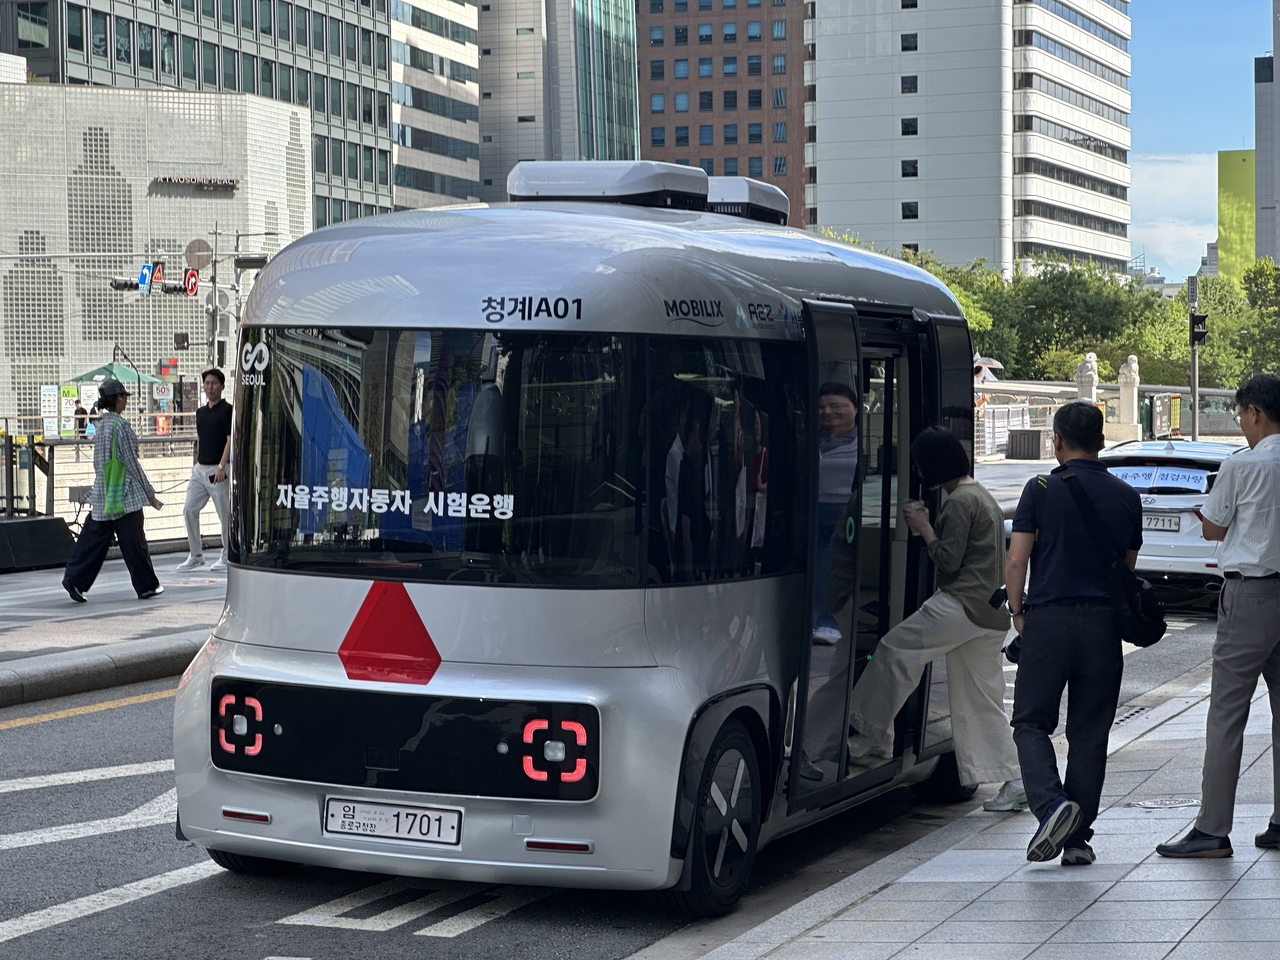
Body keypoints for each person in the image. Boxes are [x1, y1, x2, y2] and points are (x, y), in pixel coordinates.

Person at [841, 426, 1022, 801]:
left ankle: (871, 738)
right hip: (990, 615)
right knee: (981, 700)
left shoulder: (958, 503)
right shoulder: (981, 495)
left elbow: (948, 563)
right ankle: (1015, 781)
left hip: (961, 605)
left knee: (893, 651)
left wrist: (923, 527)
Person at [1006, 401, 1142, 866]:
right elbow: (1126, 570)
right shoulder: (1127, 494)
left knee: (1030, 722)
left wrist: (1018, 612)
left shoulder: (1040, 488)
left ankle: (1051, 806)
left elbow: (1016, 561)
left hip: (1048, 620)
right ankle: (1078, 839)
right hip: (1103, 626)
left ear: (1057, 442)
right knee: (1090, 732)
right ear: (1101, 441)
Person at [1157, 374, 1280, 858]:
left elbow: (1214, 527)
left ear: (1253, 411)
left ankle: (1211, 829)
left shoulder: (1243, 464)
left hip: (1250, 596)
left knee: (1228, 712)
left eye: (1241, 416)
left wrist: (1206, 516)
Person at [62, 379, 164, 602]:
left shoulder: (101, 426)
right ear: (118, 398)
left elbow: (98, 464)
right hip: (124, 493)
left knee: (93, 540)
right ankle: (147, 585)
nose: (126, 400)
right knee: (134, 542)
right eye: (125, 397)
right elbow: (131, 462)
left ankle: (75, 579)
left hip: (103, 492)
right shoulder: (121, 426)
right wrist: (149, 491)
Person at [813, 383, 861, 643]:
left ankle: (829, 621)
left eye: (836, 406)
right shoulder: (811, 438)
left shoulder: (861, 441)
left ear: (855, 409)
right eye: (821, 407)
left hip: (846, 511)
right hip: (811, 510)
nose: (827, 411)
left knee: (831, 564)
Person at [176, 368, 232, 573]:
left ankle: (227, 556)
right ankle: (196, 555)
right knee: (189, 509)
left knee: (224, 514)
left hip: (218, 470)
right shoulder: (200, 412)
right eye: (207, 383)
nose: (210, 387)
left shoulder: (228, 410)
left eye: (214, 383)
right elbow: (201, 439)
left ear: (222, 386)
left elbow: (230, 440)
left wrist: (222, 466)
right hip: (200, 469)